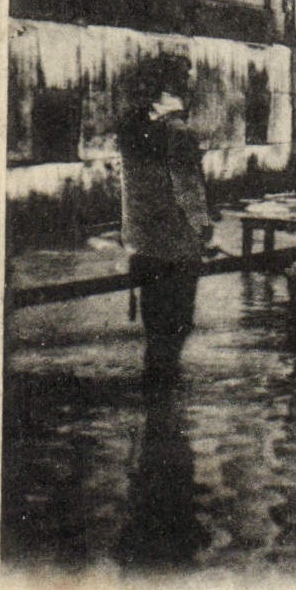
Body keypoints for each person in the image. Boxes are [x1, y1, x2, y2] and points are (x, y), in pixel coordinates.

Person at [117, 52, 214, 385]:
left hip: (143, 241)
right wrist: (202, 226)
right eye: (186, 79)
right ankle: (164, 392)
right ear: (176, 86)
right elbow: (187, 187)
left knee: (155, 320)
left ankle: (156, 382)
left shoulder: (133, 126)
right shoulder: (178, 131)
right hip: (176, 241)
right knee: (178, 321)